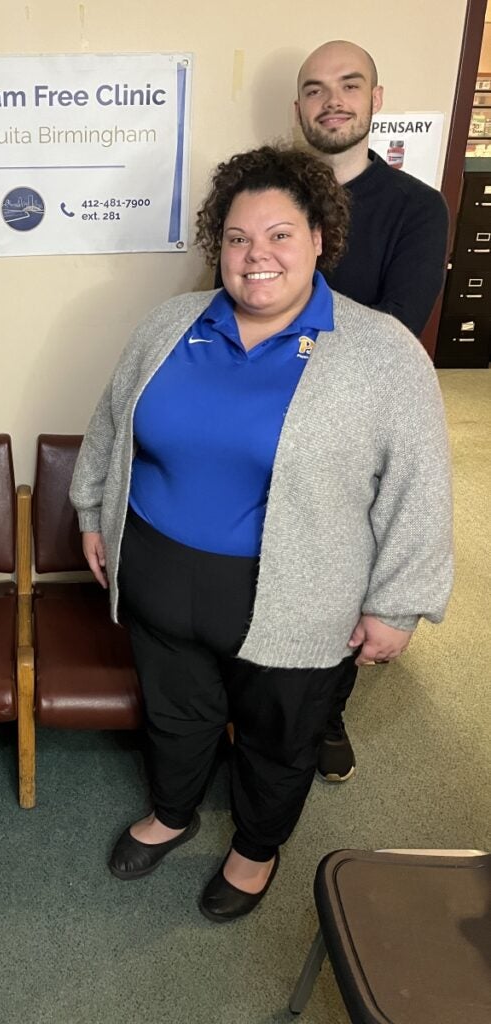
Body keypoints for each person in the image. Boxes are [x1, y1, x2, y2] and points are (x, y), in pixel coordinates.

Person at [70, 145, 453, 922]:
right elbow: (113, 425)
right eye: (239, 238)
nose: (257, 256)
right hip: (158, 574)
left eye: (280, 234)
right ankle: (173, 813)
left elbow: (420, 486)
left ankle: (255, 847)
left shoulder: (381, 352)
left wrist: (399, 603)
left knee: (281, 738)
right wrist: (91, 512)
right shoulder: (172, 324)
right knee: (176, 716)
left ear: (320, 238)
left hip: (296, 597)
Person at [295, 39, 450, 782]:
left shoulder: (417, 208)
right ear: (299, 107)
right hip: (268, 414)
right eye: (317, 89)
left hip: (359, 424)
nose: (333, 100)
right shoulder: (275, 197)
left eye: (349, 85)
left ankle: (326, 715)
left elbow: (394, 329)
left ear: (375, 101)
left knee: (339, 579)